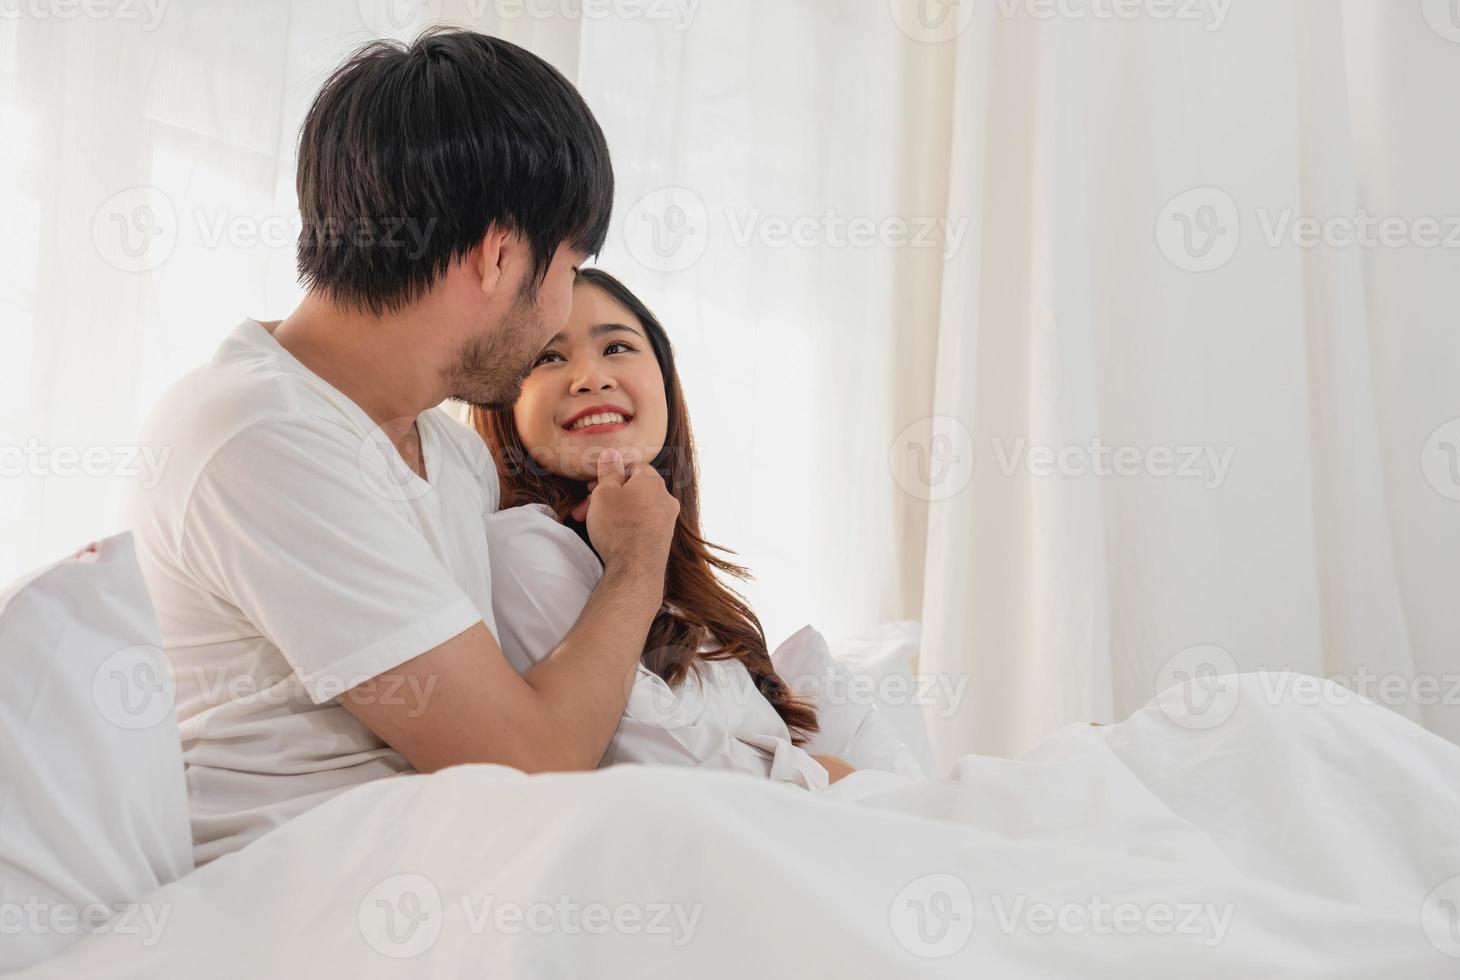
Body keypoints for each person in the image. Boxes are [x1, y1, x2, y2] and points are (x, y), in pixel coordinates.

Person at [126, 28, 679, 866]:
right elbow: (530, 758)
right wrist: (638, 563)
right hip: (307, 887)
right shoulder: (260, 436)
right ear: (499, 255)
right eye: (569, 268)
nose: (562, 310)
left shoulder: (448, 455)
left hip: (443, 864)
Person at [474, 269, 916, 788]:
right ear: (506, 399)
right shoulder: (519, 545)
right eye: (549, 357)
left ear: (663, 381)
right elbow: (639, 750)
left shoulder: (691, 605)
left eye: (617, 346)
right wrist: (819, 775)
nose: (591, 377)